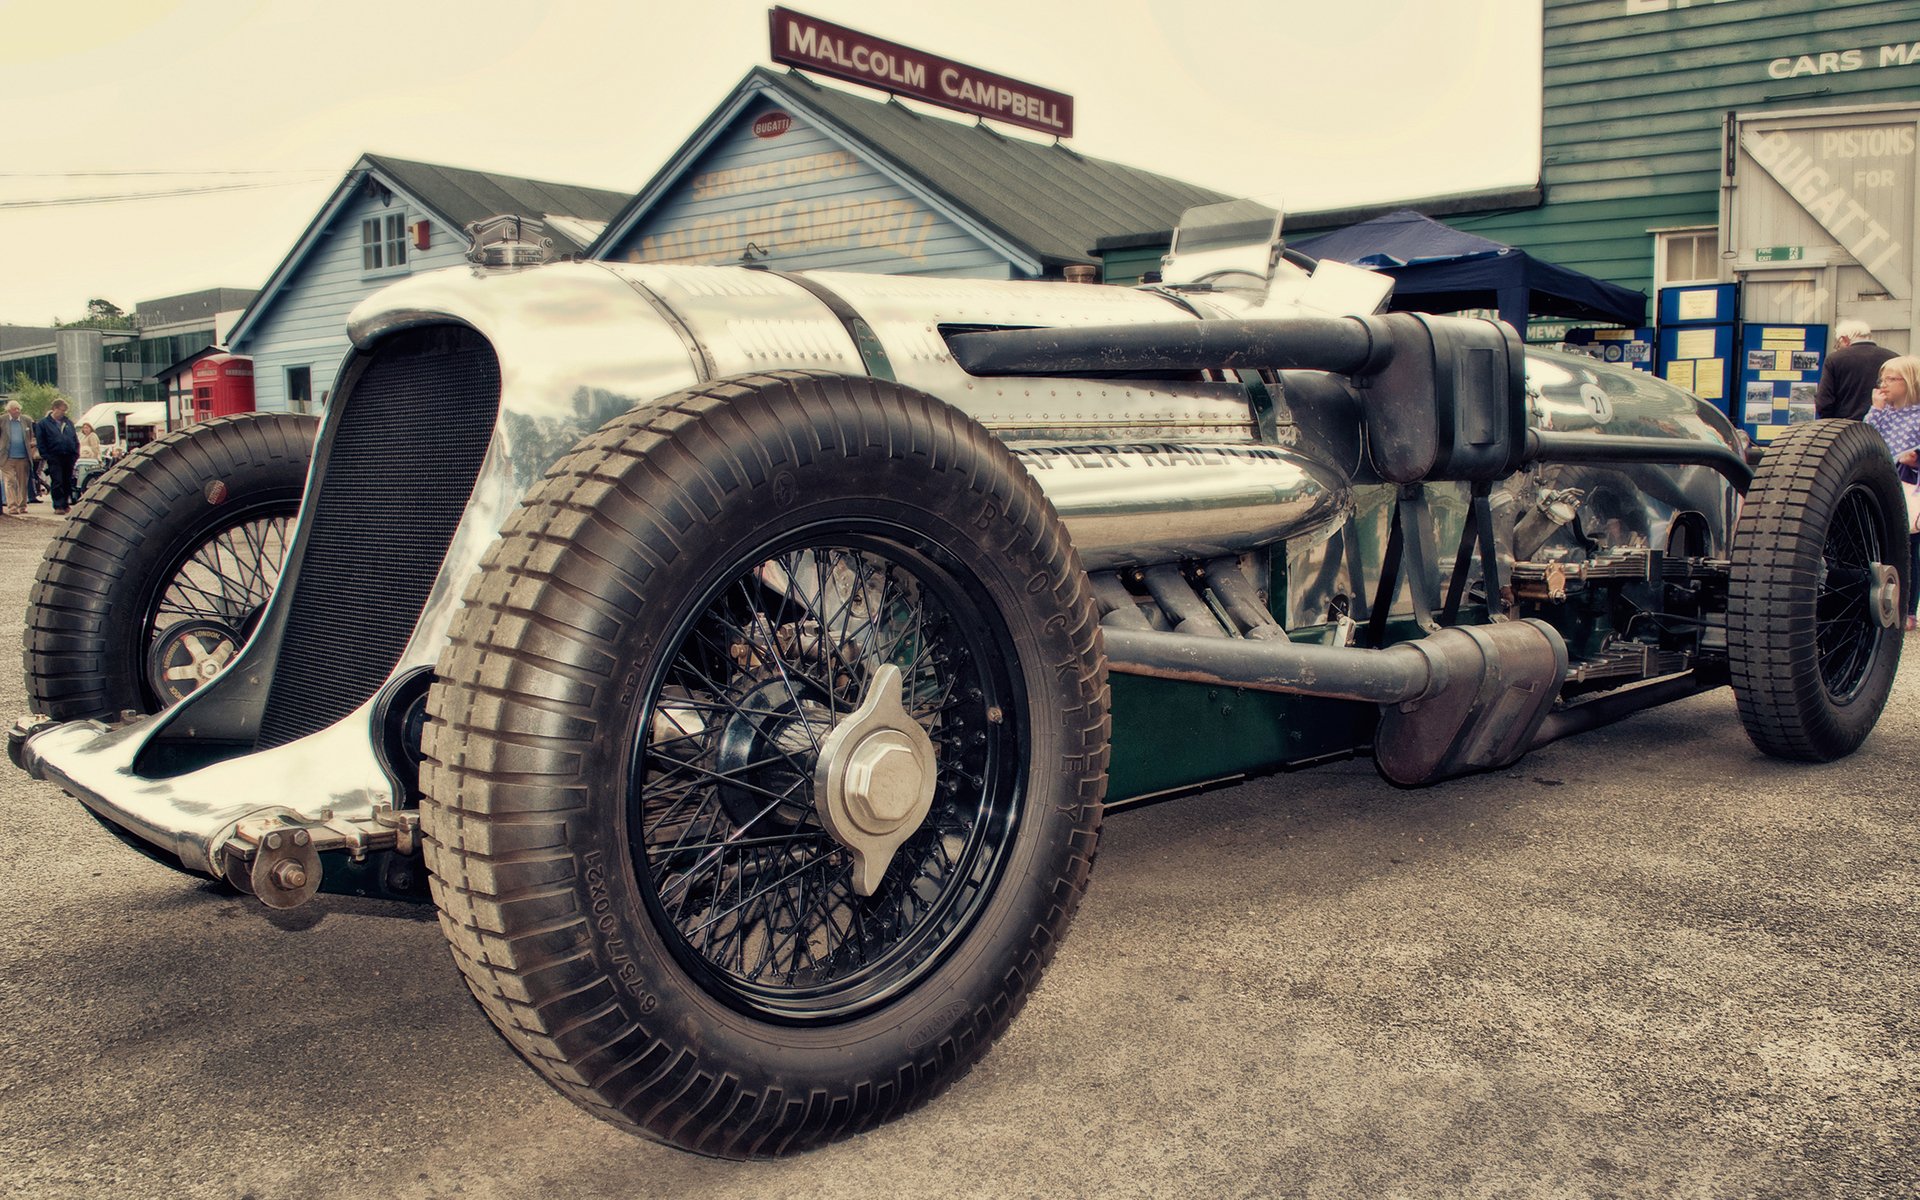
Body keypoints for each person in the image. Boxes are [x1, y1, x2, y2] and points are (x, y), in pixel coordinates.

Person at [1862, 354, 1920, 630]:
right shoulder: (1882, 412)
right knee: (1881, 545)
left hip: (1910, 486)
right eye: (1881, 379)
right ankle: (1880, 601)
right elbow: (1866, 438)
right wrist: (1875, 409)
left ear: (1909, 382)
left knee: (1909, 551)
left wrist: (1916, 457)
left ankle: (1907, 609)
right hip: (1883, 482)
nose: (1883, 384)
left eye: (1891, 379)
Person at [1816, 319, 1898, 420]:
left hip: (1845, 427)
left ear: (1845, 339)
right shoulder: (1894, 358)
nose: (1838, 348)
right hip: (1884, 424)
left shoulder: (1835, 359)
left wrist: (1830, 422)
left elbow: (1824, 401)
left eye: (1838, 344)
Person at [34, 397, 80, 515]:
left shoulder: (68, 423)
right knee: (57, 481)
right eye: (61, 410)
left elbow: (74, 438)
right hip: (54, 456)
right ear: (54, 409)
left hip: (69, 456)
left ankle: (65, 504)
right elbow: (41, 441)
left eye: (65, 411)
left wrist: (75, 453)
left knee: (67, 481)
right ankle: (58, 505)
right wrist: (46, 455)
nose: (63, 413)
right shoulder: (43, 424)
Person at [1, 400, 39, 516]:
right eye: (14, 409)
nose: (17, 411)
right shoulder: (2, 420)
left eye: (18, 409)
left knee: (23, 482)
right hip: (6, 457)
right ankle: (12, 506)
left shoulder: (26, 420)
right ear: (9, 410)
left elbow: (31, 436)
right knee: (10, 481)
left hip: (23, 456)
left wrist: (32, 449)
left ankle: (22, 506)